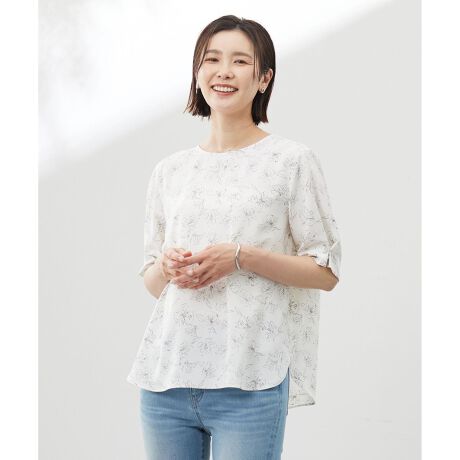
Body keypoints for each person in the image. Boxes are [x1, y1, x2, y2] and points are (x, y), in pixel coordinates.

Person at [127, 14, 342, 460]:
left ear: (263, 78)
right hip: (166, 380)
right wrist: (166, 267)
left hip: (250, 380)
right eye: (212, 59)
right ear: (197, 73)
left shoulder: (291, 161)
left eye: (240, 61)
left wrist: (241, 256)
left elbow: (325, 271)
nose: (223, 71)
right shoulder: (170, 171)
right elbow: (151, 282)